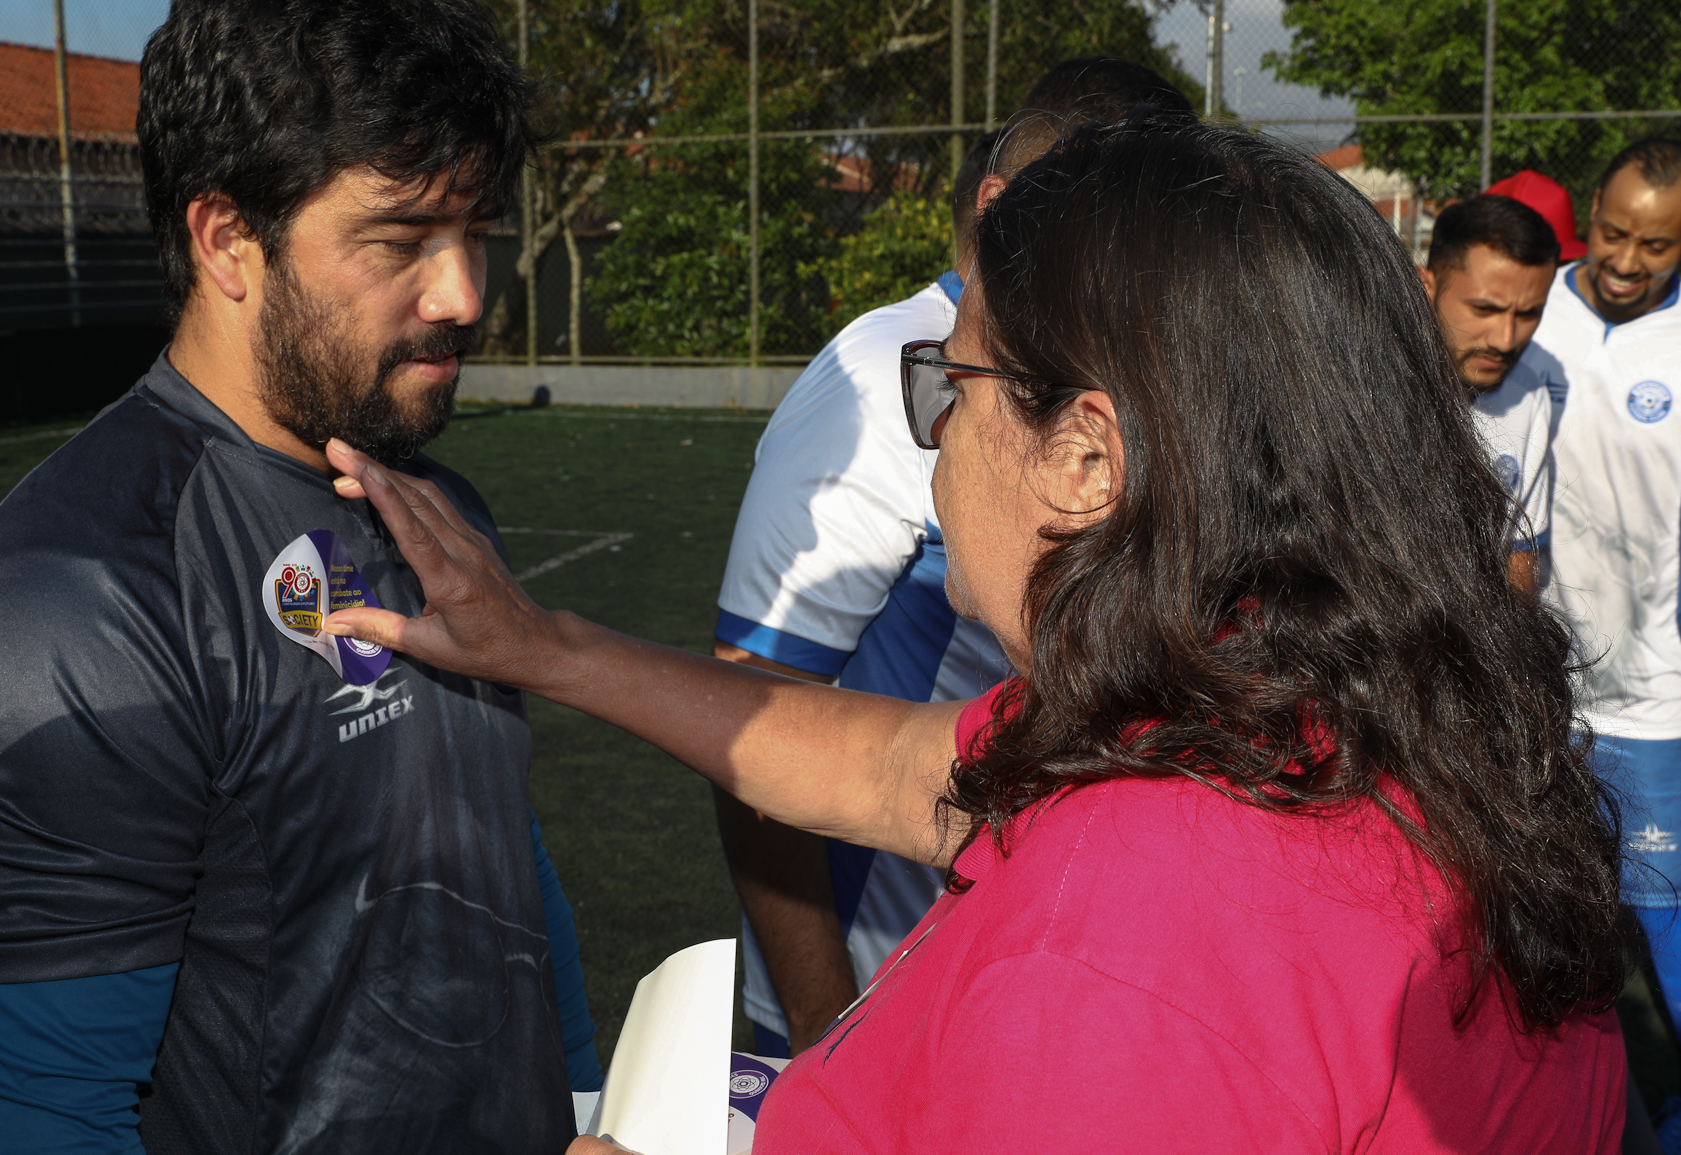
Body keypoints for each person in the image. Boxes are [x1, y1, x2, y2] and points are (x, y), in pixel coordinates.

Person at [325, 117, 1629, 1151]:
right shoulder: (1291, 712)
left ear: (1084, 456)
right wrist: (546, 646)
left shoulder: (1118, 953)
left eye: (954, 381)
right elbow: (893, 767)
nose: (937, 431)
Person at [0, 1, 597, 1151]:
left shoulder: (440, 508)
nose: (463, 294)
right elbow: (41, 1116)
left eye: (475, 231)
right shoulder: (77, 602)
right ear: (225, 240)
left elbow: (503, 850)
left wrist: (582, 1105)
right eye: (401, 239)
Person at [714, 55, 1195, 1059]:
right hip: (878, 989)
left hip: (1045, 971)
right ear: (998, 205)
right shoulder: (881, 378)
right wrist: (821, 1020)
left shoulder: (1141, 366)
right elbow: (751, 708)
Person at [1531, 138, 1681, 1027]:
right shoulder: (1528, 312)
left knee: (1663, 924)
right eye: (1615, 232)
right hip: (1535, 685)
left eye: (1656, 245)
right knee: (1548, 927)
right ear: (1592, 208)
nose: (1626, 260)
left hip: (1652, 698)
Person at [1417, 194, 1561, 596]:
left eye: (1528, 313)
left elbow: (1519, 557)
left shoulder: (1528, 394)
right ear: (1426, 287)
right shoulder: (1361, 383)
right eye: (1484, 309)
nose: (1505, 339)